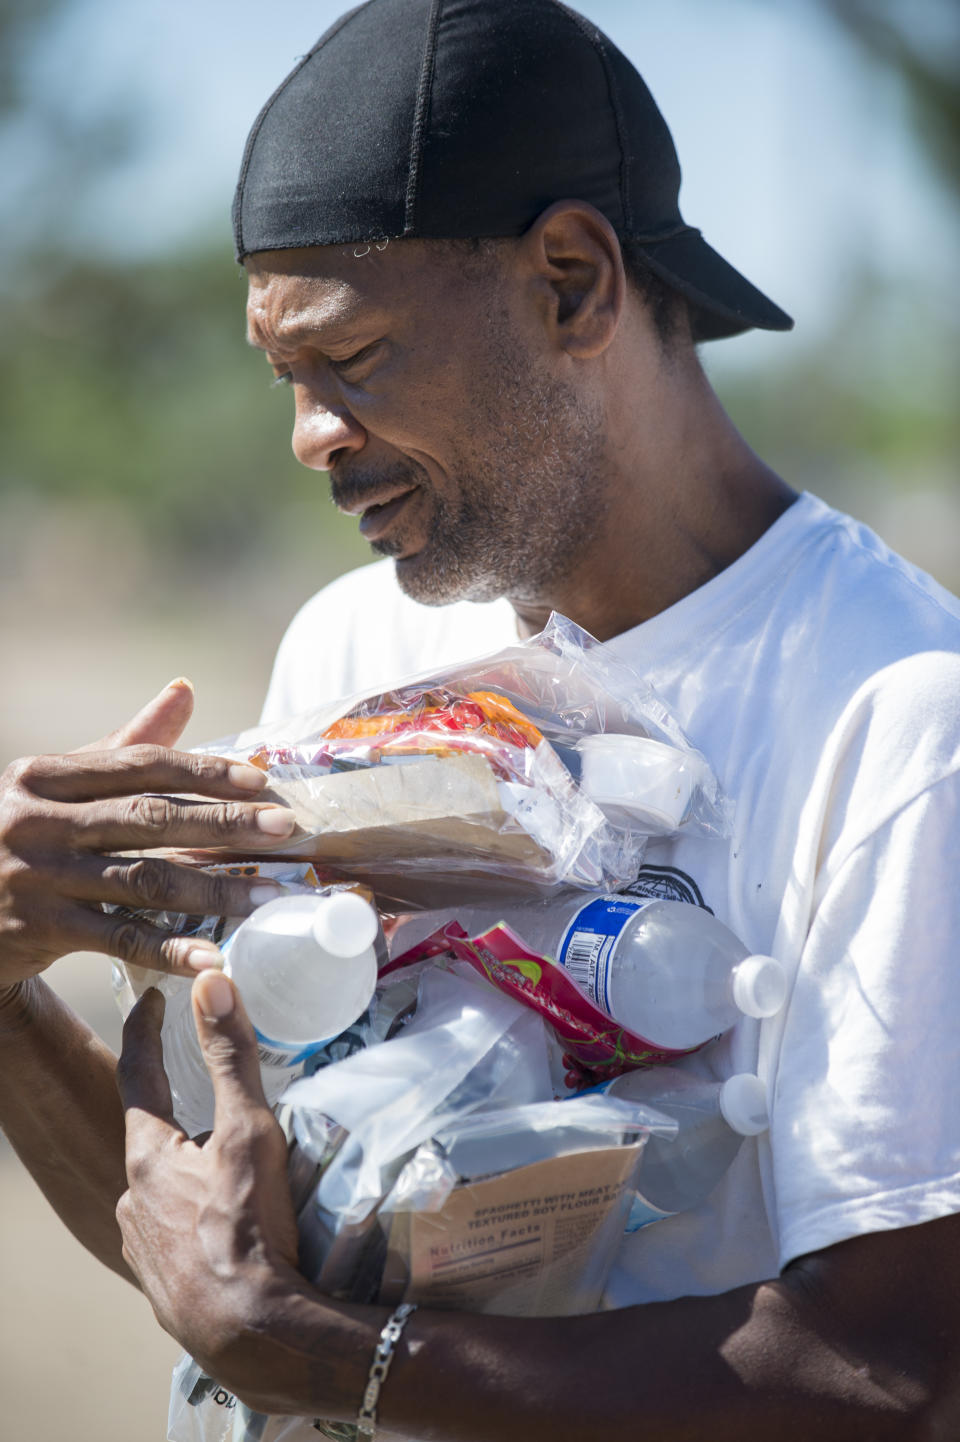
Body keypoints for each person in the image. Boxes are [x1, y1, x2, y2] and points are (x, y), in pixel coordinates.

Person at [2, 1, 959, 1437]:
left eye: (357, 357)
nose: (309, 435)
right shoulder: (355, 647)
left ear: (572, 282)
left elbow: (888, 1372)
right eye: (290, 382)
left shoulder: (894, 717)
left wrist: (344, 1358)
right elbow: (233, 1274)